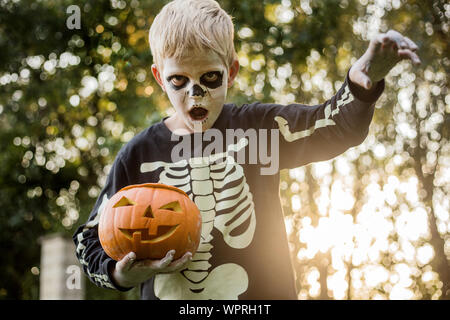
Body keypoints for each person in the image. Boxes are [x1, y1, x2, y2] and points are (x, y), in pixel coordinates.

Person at [73, 0, 420, 299]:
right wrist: (121, 274)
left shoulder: (259, 129)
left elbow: (334, 126)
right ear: (159, 77)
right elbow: (89, 239)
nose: (195, 95)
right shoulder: (139, 153)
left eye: (210, 78)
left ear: (232, 71)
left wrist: (362, 83)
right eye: (179, 80)